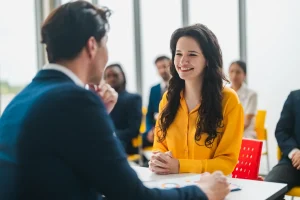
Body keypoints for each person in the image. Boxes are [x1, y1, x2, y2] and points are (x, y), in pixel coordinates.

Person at [0, 2, 230, 200]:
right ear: (92, 46)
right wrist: (202, 192)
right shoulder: (75, 100)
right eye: (105, 43)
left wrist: (100, 113)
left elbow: (86, 168)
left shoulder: (23, 98)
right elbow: (134, 196)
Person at [149, 24, 244, 175]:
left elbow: (226, 163)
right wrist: (159, 160)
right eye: (178, 54)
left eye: (192, 54)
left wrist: (180, 166)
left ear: (208, 59)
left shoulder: (228, 100)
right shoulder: (168, 98)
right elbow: (159, 146)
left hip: (212, 189)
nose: (182, 61)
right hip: (171, 186)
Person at [265, 90, 300, 199]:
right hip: (293, 162)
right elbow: (282, 131)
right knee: (268, 189)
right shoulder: (294, 97)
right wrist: (295, 152)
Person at [104, 63, 142, 154]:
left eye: (115, 75)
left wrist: (111, 135)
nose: (112, 79)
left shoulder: (133, 99)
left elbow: (133, 130)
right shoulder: (102, 100)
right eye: (108, 76)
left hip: (124, 143)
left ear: (122, 76)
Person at [143, 56, 171, 148]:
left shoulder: (181, 87)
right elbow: (149, 114)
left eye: (165, 66)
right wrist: (150, 130)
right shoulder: (153, 89)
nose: (162, 70)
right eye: (159, 68)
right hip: (157, 129)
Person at [229, 60, 258, 138]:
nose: (234, 75)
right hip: (227, 133)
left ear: (244, 75)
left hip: (245, 134)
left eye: (238, 72)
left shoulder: (252, 95)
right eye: (231, 71)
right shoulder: (223, 93)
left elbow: (246, 122)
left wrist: (230, 134)